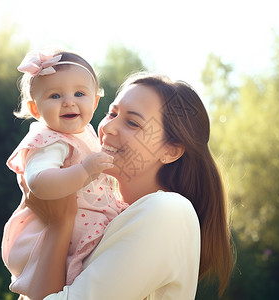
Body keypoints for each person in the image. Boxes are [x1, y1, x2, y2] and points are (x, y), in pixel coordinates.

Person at [29, 73, 234, 300]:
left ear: (170, 151)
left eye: (133, 123)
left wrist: (59, 224)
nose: (108, 128)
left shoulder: (168, 211)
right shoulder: (103, 220)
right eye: (112, 113)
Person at [1, 49, 128, 298]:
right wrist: (83, 170)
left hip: (80, 223)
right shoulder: (50, 141)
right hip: (48, 231)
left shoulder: (86, 133)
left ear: (94, 101)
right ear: (35, 109)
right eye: (55, 95)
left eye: (79, 93)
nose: (68, 101)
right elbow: (38, 182)